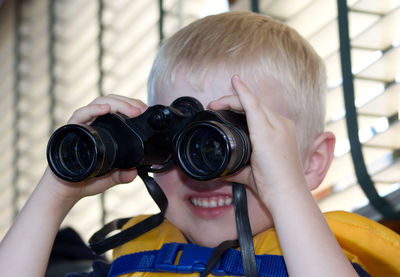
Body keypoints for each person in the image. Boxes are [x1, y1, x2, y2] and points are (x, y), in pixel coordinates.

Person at [1, 11, 398, 277]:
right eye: (177, 144)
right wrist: (56, 190)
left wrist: (284, 191)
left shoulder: (319, 261)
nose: (204, 173)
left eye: (238, 141)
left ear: (312, 162)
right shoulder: (131, 262)